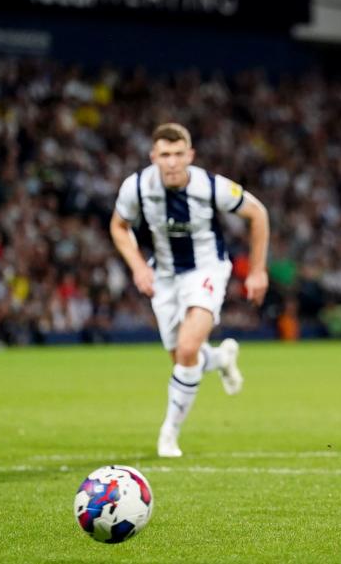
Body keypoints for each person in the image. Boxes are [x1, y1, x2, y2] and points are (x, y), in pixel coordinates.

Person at [110, 123, 269, 458]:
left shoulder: (211, 186)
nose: (171, 162)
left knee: (185, 350)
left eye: (178, 154)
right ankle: (222, 357)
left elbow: (258, 213)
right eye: (164, 155)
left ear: (190, 155)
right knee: (186, 358)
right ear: (153, 156)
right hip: (164, 277)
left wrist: (256, 271)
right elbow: (118, 225)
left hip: (206, 271)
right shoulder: (136, 187)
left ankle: (168, 434)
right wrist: (139, 266)